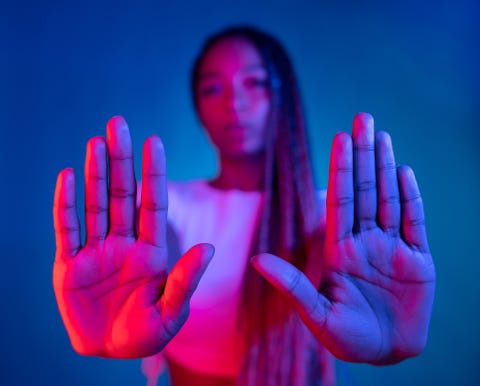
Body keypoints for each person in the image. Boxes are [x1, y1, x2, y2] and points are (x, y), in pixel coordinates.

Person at [52, 26, 436, 386]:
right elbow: (156, 256)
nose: (234, 102)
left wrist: (388, 340)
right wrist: (113, 319)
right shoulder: (164, 208)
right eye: (212, 89)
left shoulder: (333, 221)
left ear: (283, 96)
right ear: (198, 110)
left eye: (254, 82)